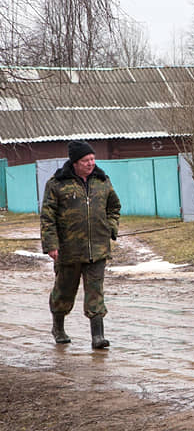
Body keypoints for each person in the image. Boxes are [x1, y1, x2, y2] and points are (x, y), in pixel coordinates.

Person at [41, 140, 121, 349]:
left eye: (93, 159)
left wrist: (110, 227)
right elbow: (47, 217)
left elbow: (114, 206)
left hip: (98, 249)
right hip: (68, 250)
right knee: (64, 292)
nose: (91, 163)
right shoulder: (57, 184)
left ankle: (97, 336)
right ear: (75, 162)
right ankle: (58, 327)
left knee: (95, 292)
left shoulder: (102, 181)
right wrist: (51, 244)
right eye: (86, 160)